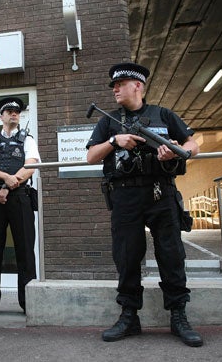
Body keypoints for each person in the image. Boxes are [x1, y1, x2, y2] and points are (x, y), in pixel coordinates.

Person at [86, 63, 203, 347]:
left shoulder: (162, 114)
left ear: (137, 86)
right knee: (126, 256)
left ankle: (178, 315)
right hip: (125, 197)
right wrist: (115, 141)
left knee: (171, 254)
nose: (114, 89)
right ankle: (129, 316)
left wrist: (176, 152)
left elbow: (195, 142)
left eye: (120, 84)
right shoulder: (109, 121)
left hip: (160, 193)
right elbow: (90, 156)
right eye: (114, 85)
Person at [0, 97, 41, 317]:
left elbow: (31, 165)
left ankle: (27, 302)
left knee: (25, 251)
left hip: (20, 198)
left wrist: (11, 184)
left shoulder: (27, 140)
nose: (14, 114)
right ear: (1, 116)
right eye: (9, 111)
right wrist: (6, 179)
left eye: (17, 111)